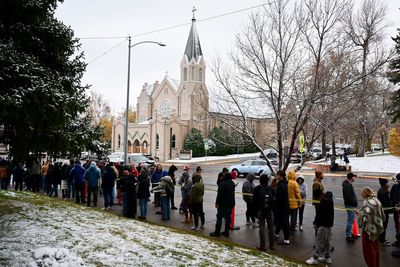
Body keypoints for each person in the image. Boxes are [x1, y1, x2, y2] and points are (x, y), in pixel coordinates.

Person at [305, 191, 334, 265]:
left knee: (319, 241)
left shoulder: (324, 202)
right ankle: (327, 257)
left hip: (323, 225)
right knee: (327, 242)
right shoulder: (330, 202)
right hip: (329, 225)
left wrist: (316, 223)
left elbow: (319, 215)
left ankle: (315, 257)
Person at [359, 187, 385, 267]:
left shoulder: (366, 202)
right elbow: (383, 216)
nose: (361, 195)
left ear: (365, 193)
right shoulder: (377, 201)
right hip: (376, 229)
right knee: (375, 250)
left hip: (368, 230)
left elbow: (364, 218)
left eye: (362, 193)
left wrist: (359, 214)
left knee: (368, 252)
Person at [253, 174, 275, 251]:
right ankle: (272, 245)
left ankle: (263, 245)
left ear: (260, 180)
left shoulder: (256, 189)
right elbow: (274, 199)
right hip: (270, 210)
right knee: (271, 228)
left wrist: (255, 211)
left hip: (260, 210)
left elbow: (254, 201)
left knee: (261, 227)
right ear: (267, 180)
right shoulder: (271, 189)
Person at [210, 172, 235, 238]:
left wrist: (217, 203)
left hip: (223, 203)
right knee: (228, 218)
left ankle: (217, 232)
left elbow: (219, 195)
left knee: (219, 217)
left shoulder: (222, 184)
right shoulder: (232, 184)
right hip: (230, 203)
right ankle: (226, 232)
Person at [274, 170, 290, 245]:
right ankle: (276, 233)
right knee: (280, 222)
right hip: (282, 207)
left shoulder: (282, 185)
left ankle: (286, 239)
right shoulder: (282, 184)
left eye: (277, 175)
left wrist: (277, 204)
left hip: (282, 208)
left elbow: (281, 197)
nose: (276, 176)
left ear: (280, 176)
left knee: (284, 223)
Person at [342, 172, 359, 243]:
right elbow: (348, 197)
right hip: (350, 205)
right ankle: (348, 235)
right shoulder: (347, 186)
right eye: (354, 177)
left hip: (351, 205)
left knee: (351, 220)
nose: (355, 178)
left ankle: (350, 233)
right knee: (350, 221)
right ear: (351, 177)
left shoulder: (349, 184)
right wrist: (354, 203)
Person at [377, 178, 392, 246]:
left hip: (384, 211)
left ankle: (382, 239)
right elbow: (385, 203)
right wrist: (391, 208)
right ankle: (382, 241)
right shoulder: (382, 191)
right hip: (384, 212)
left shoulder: (384, 190)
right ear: (384, 184)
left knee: (383, 226)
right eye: (387, 183)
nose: (388, 184)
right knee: (383, 226)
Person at [287, 170, 302, 235]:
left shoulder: (286, 182)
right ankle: (292, 231)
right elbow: (298, 195)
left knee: (286, 218)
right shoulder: (294, 183)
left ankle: (286, 229)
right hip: (294, 205)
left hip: (287, 204)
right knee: (293, 218)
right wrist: (300, 203)